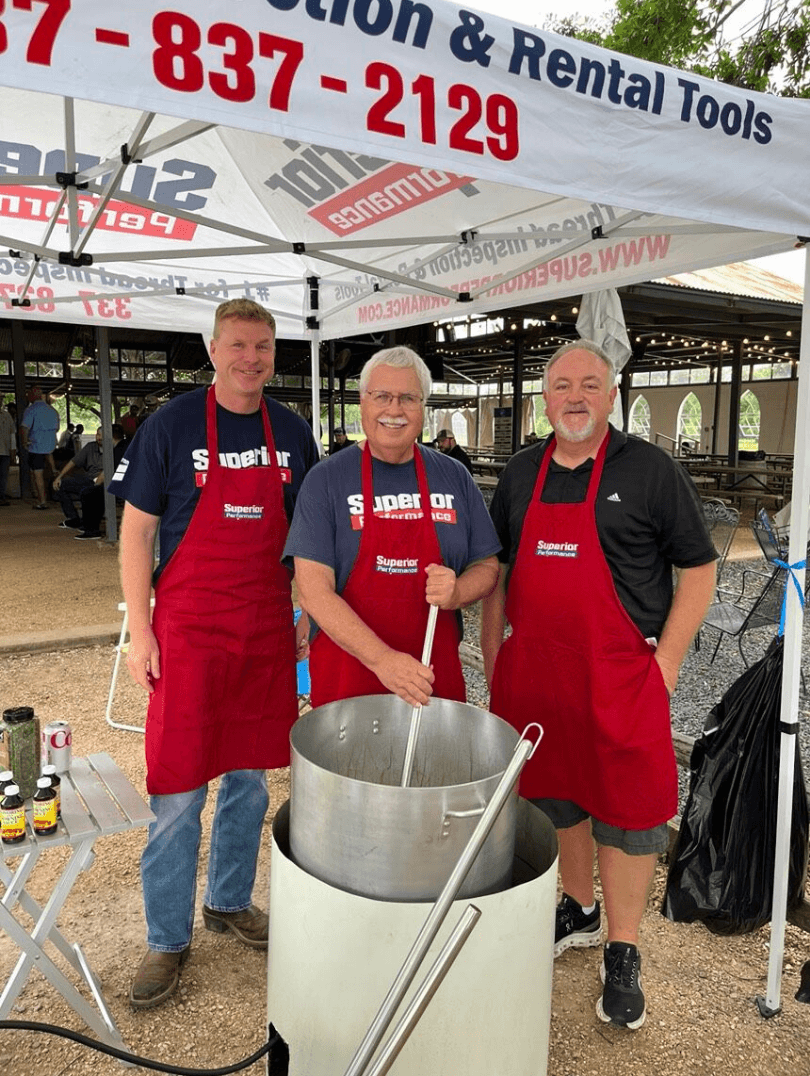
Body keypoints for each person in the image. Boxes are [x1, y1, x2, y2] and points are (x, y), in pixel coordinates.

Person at [481, 340, 716, 1032]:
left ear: (612, 395)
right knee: (559, 798)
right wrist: (493, 656)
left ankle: (623, 948)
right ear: (544, 399)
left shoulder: (650, 471)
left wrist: (667, 662)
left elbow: (698, 570)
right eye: (561, 385)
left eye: (590, 384)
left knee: (629, 813)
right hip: (539, 678)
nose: (574, 396)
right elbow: (496, 570)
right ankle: (578, 908)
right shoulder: (522, 472)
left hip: (620, 677)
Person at [109, 298, 318, 1010]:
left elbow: (308, 539)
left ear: (273, 352)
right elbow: (136, 536)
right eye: (238, 345)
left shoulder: (291, 434)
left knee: (251, 781)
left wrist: (305, 613)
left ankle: (229, 901)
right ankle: (166, 939)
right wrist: (142, 629)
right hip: (192, 632)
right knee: (177, 790)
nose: (251, 358)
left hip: (263, 629)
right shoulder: (169, 426)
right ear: (213, 347)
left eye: (262, 347)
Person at [287, 346, 500, 709]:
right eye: (382, 396)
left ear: (423, 406)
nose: (394, 409)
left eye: (408, 398)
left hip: (433, 677)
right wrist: (382, 660)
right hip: (348, 678)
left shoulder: (454, 476)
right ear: (363, 401)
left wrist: (458, 591)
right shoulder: (326, 479)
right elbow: (312, 592)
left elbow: (488, 566)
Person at [73, 424, 128, 540]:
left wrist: (97, 484)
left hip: (125, 488)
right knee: (98, 492)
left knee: (88, 493)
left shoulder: (117, 450)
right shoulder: (126, 445)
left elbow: (107, 472)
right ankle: (92, 526)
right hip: (129, 485)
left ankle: (91, 529)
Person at [53, 426, 106, 529]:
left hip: (104, 482)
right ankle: (74, 519)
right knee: (61, 485)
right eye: (98, 434)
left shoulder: (113, 449)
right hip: (89, 480)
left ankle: (89, 523)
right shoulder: (90, 446)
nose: (99, 437)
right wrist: (59, 476)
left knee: (89, 493)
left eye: (102, 435)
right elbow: (73, 461)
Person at [20, 385, 59, 509]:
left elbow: (24, 428)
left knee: (37, 475)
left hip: (35, 446)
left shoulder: (31, 410)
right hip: (51, 446)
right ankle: (58, 495)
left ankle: (42, 501)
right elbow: (57, 428)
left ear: (32, 395)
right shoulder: (52, 410)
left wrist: (25, 442)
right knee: (53, 471)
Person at [0, 398, 14, 506]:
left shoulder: (7, 416)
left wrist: (13, 450)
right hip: (4, 450)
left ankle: (1, 497)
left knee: (3, 476)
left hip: (4, 451)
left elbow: (12, 434)